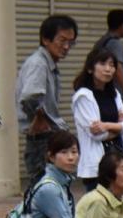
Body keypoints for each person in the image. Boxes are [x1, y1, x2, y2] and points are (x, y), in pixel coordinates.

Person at [17, 15, 78, 182]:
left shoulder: (48, 63)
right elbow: (30, 96)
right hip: (42, 139)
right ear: (46, 39)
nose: (66, 47)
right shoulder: (39, 63)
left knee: (52, 186)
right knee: (43, 189)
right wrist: (39, 117)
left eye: (70, 42)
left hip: (50, 136)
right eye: (62, 40)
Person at [72, 46, 123, 191]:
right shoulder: (83, 96)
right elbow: (97, 134)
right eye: (103, 64)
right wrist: (119, 127)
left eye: (112, 65)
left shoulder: (114, 94)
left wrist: (106, 125)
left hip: (119, 164)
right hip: (96, 167)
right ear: (90, 69)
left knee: (118, 209)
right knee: (98, 210)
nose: (108, 69)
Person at [94, 10, 123, 109]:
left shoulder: (102, 42)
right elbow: (118, 68)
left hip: (103, 94)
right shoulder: (115, 43)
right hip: (114, 97)